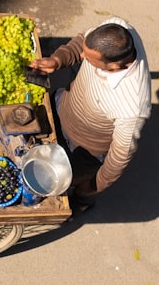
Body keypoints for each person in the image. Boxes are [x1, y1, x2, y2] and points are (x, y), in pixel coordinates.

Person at [30, 17, 151, 212]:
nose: (82, 57)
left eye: (88, 58)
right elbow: (82, 42)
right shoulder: (117, 28)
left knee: (63, 182)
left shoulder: (131, 107)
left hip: (81, 150)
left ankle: (83, 202)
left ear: (113, 67)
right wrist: (58, 59)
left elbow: (119, 158)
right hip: (62, 106)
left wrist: (95, 184)